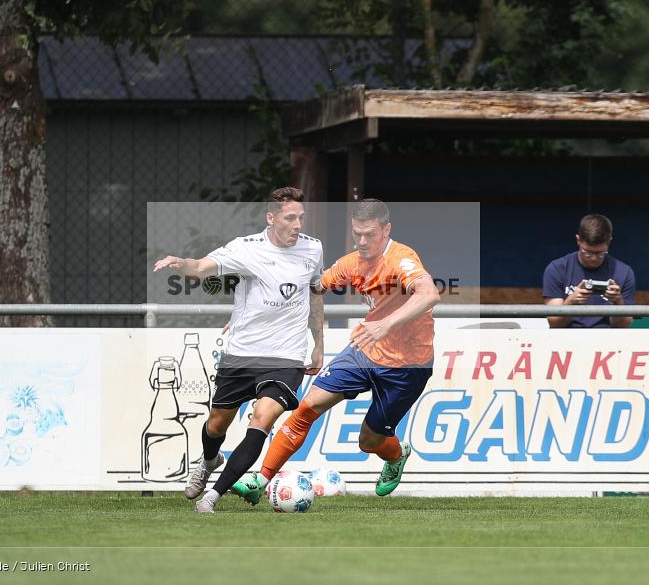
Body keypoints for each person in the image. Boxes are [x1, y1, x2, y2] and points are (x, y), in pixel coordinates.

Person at [232, 198, 440, 502]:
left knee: (369, 441)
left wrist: (387, 324)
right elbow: (311, 287)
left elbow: (430, 293)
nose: (362, 241)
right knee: (307, 408)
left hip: (408, 366)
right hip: (364, 351)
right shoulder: (351, 263)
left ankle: (396, 456)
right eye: (357, 234)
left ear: (386, 230)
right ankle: (260, 480)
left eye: (369, 234)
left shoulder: (402, 258)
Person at [153, 187, 324, 513]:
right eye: (290, 218)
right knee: (217, 424)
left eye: (301, 217)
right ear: (271, 218)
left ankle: (212, 497)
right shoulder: (247, 248)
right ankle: (209, 460)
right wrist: (181, 263)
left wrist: (319, 344)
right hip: (243, 353)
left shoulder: (312, 249)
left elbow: (315, 293)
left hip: (286, 356)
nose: (297, 224)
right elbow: (202, 267)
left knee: (262, 420)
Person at [542, 213, 635, 328]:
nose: (594, 258)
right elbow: (554, 323)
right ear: (578, 240)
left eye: (600, 253)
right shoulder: (557, 269)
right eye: (587, 252)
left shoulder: (624, 272)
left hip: (606, 340)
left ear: (609, 242)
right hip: (567, 339)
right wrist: (571, 302)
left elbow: (622, 327)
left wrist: (617, 302)